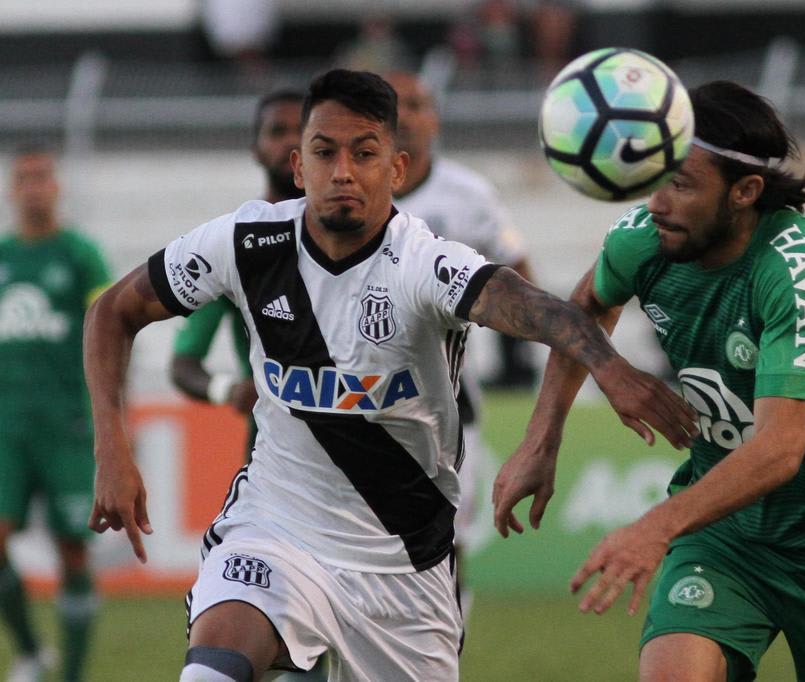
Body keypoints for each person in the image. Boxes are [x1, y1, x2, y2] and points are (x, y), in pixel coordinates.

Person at [83, 69, 695, 681]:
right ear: (298, 167)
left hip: (404, 562)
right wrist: (112, 447)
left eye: (365, 152)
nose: (343, 171)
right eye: (325, 152)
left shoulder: (423, 263)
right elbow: (114, 311)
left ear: (397, 169)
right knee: (213, 670)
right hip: (275, 530)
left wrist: (611, 366)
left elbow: (533, 307)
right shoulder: (246, 243)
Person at [492, 80, 805, 681]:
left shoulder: (795, 272)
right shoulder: (643, 238)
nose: (657, 203)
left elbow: (779, 451)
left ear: (745, 192)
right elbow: (586, 307)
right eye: (656, 178)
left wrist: (654, 529)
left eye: (682, 184)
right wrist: (556, 426)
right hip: (722, 533)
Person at [387, 70, 534, 612]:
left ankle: (441, 658)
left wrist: (516, 351)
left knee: (447, 545)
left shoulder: (468, 194)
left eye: (416, 103)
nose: (405, 114)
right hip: (357, 401)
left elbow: (515, 270)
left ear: (435, 118)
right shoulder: (347, 194)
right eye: (393, 103)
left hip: (449, 404)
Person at [0, 145, 111, 682]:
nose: (34, 186)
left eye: (42, 176)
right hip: (7, 427)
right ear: (10, 189)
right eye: (24, 178)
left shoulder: (79, 254)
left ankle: (69, 675)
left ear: (57, 187)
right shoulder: (2, 257)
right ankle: (28, 649)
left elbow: (110, 328)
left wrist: (114, 413)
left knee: (72, 551)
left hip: (67, 427)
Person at [171, 89, 304, 454]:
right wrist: (228, 389)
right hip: (271, 454)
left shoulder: (357, 235)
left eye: (302, 130)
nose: (291, 141)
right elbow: (184, 364)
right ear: (256, 149)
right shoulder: (235, 247)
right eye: (277, 131)